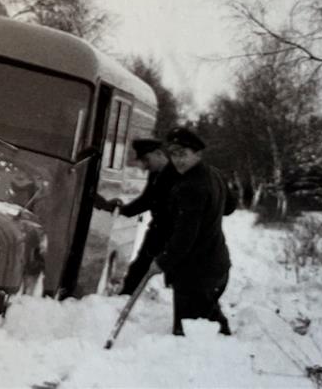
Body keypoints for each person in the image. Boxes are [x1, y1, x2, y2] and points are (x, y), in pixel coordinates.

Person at [151, 127, 236, 337]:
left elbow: (184, 237)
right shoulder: (214, 174)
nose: (178, 160)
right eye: (174, 154)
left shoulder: (190, 186)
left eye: (183, 154)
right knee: (205, 329)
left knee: (190, 336)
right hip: (217, 268)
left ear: (197, 154)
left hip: (195, 274)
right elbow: (230, 207)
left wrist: (162, 262)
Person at [96, 139, 179, 294]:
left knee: (175, 273)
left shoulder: (177, 174)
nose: (144, 165)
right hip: (158, 230)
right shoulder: (156, 174)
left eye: (146, 160)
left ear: (159, 154)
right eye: (142, 161)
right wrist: (122, 209)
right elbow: (147, 200)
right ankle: (126, 297)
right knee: (140, 267)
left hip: (175, 233)